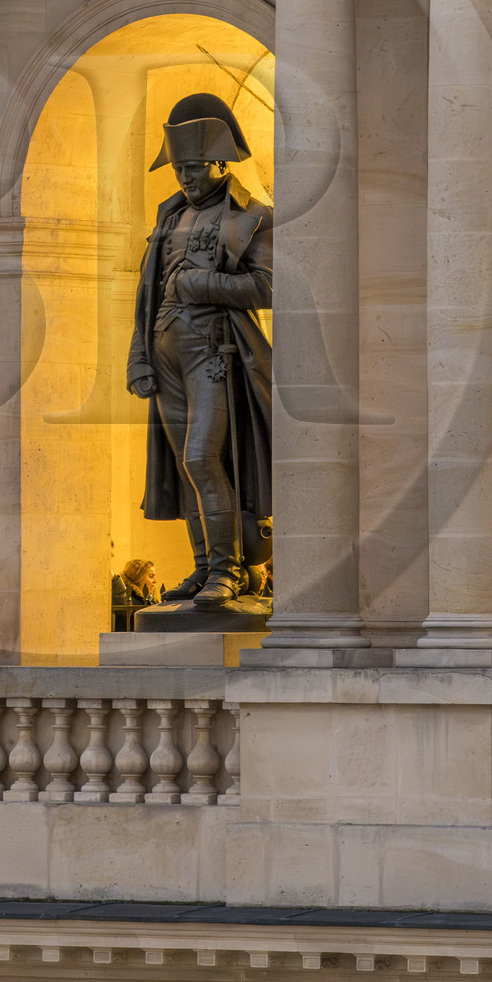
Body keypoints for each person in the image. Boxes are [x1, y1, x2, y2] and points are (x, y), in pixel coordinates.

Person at [126, 93, 272, 612]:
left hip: (215, 355)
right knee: (186, 467)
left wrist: (203, 284)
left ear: (218, 162)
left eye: (192, 168)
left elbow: (268, 287)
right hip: (164, 356)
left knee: (201, 458)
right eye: (178, 169)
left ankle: (229, 573)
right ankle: (204, 567)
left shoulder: (252, 217)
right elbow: (147, 295)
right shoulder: (167, 218)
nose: (184, 178)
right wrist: (138, 357)